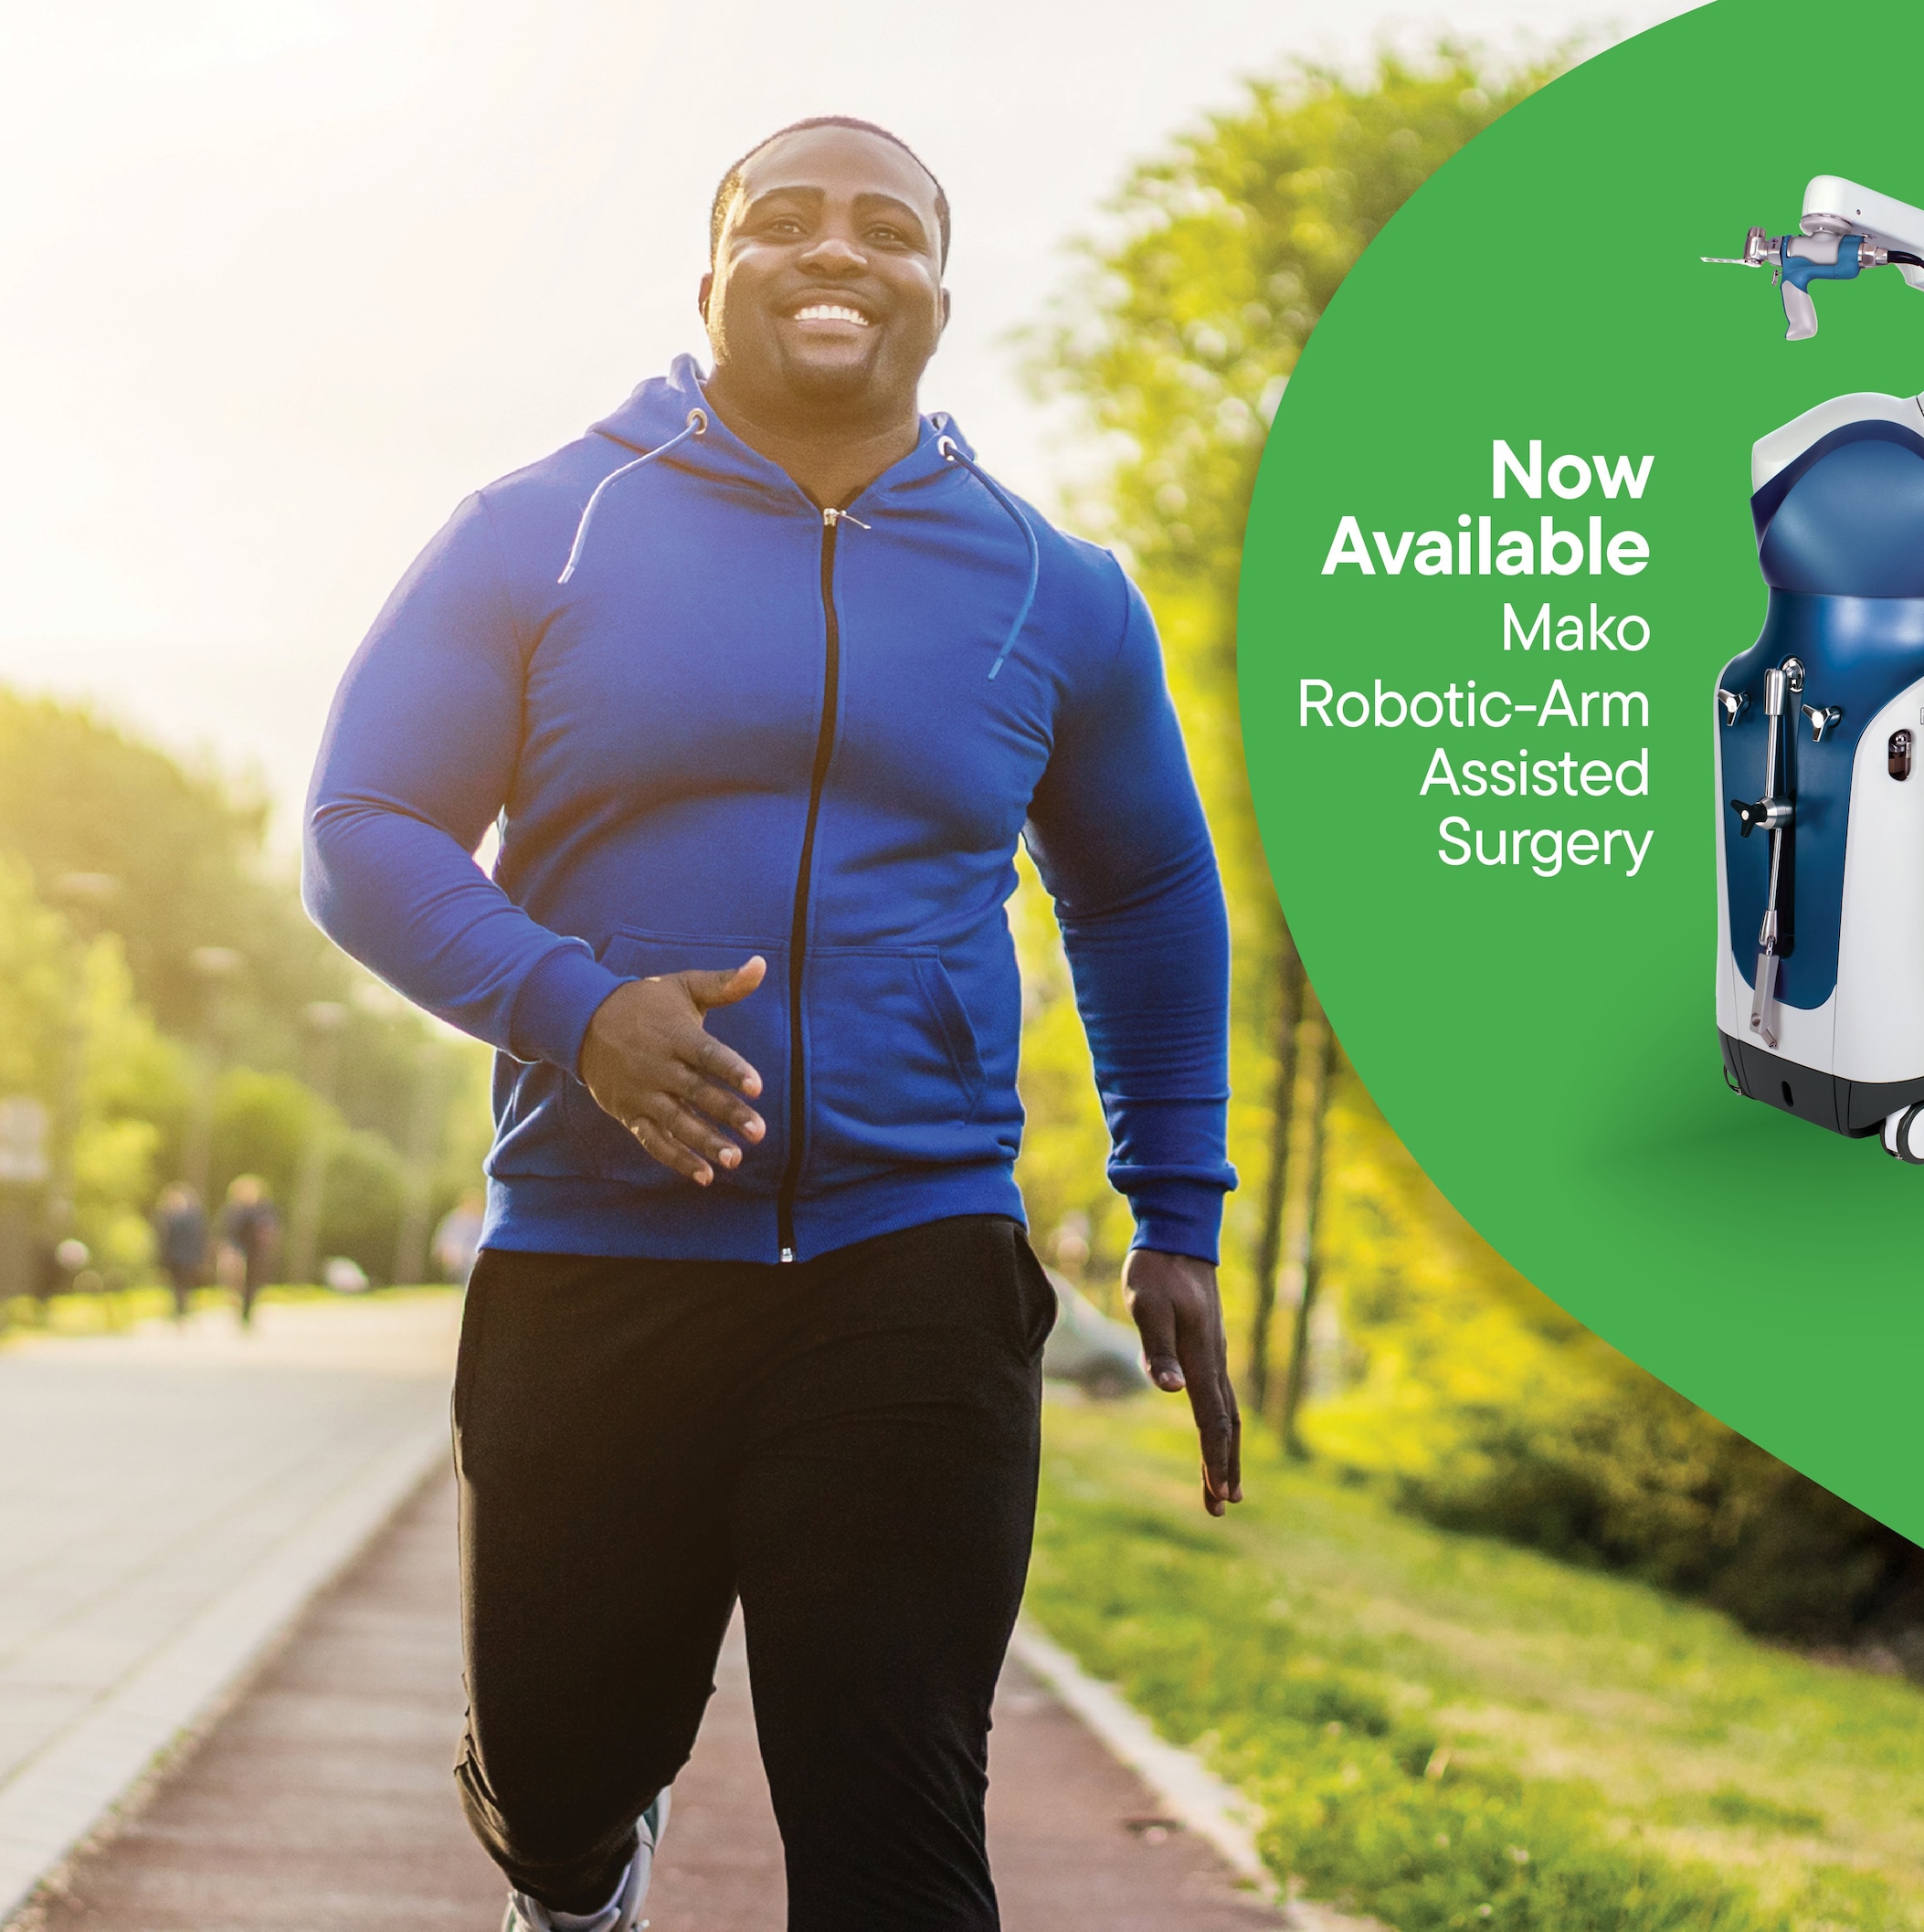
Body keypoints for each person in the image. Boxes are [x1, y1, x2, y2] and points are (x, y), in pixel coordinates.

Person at [301, 117, 1245, 1931]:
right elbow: (362, 828)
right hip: (598, 1250)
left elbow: (1141, 888)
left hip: (913, 1255)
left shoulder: (1055, 588)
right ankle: (577, 1871)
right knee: (567, 1763)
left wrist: (1174, 1208)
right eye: (785, 221)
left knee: (897, 1832)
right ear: (712, 272)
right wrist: (569, 1011)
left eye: (884, 228)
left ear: (940, 294)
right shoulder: (540, 528)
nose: (837, 252)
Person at [217, 1175, 283, 1333]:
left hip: (256, 1252)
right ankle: (238, 1311)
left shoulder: (263, 1209)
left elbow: (271, 1228)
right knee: (235, 1284)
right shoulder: (234, 1210)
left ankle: (247, 1314)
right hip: (238, 1251)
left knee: (252, 1284)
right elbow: (227, 1231)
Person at [150, 1183, 211, 1327]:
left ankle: (183, 1311)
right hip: (174, 1256)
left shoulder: (193, 1216)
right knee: (176, 1285)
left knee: (185, 1284)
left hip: (188, 1256)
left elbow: (200, 1237)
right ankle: (180, 1311)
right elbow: (162, 1239)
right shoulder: (166, 1216)